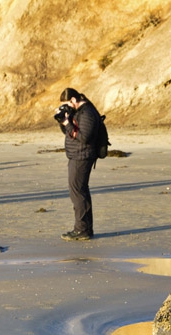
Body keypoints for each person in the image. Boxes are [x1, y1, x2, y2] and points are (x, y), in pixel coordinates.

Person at [55, 87, 103, 241]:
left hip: (82, 156)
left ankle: (81, 229)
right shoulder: (79, 111)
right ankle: (86, 229)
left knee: (77, 193)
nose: (67, 107)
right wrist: (63, 121)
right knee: (81, 192)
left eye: (67, 104)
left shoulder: (87, 112)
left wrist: (68, 123)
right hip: (77, 155)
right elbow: (70, 132)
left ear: (74, 100)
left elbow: (84, 137)